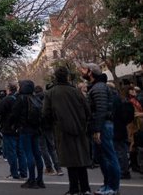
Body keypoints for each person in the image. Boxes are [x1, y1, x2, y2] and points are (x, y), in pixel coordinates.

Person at [43, 65, 92, 195]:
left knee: (71, 161)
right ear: (67, 77)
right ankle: (85, 188)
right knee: (80, 159)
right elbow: (88, 111)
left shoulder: (51, 93)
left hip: (62, 130)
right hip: (79, 129)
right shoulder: (76, 91)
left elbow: (46, 114)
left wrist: (52, 123)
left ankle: (74, 189)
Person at [81, 63, 120, 195]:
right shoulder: (96, 87)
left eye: (83, 69)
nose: (81, 72)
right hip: (100, 125)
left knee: (109, 156)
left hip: (102, 126)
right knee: (103, 157)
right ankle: (107, 185)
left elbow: (101, 109)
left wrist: (97, 129)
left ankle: (113, 187)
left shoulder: (98, 88)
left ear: (90, 72)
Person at [11, 80, 46, 189]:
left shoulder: (20, 99)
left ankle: (31, 180)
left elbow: (14, 114)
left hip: (25, 129)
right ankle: (40, 179)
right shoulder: (36, 98)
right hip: (36, 129)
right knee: (37, 154)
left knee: (28, 154)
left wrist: (12, 126)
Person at [35, 85, 63, 176]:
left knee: (43, 148)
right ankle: (58, 168)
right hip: (49, 126)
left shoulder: (35, 100)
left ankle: (49, 167)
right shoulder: (48, 98)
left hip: (40, 126)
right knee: (52, 148)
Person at [112, 85, 134, 180]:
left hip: (117, 128)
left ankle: (124, 171)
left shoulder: (117, 101)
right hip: (122, 128)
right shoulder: (124, 101)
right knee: (122, 150)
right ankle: (124, 170)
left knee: (120, 151)